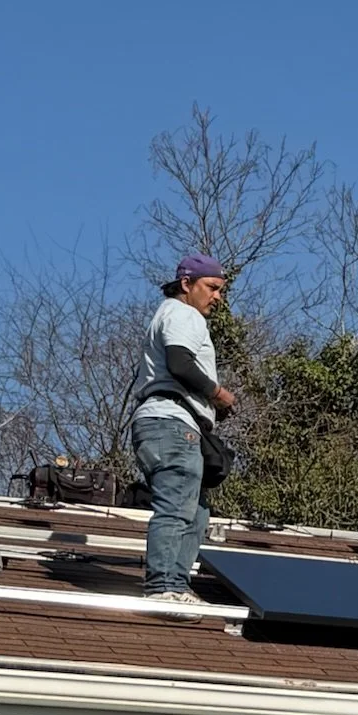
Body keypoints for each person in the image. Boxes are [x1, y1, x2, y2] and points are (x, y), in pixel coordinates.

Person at [130, 254, 237, 603]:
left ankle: (177, 584)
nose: (218, 297)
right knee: (177, 505)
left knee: (197, 511)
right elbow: (179, 363)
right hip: (170, 424)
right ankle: (163, 587)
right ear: (187, 284)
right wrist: (218, 393)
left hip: (173, 422)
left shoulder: (172, 315)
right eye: (212, 288)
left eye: (221, 290)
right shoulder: (182, 313)